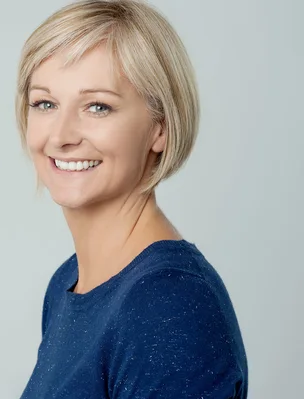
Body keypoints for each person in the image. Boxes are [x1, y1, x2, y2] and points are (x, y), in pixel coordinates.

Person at [15, 0, 248, 398]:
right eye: (46, 103)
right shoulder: (67, 284)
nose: (61, 135)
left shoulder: (167, 304)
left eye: (98, 106)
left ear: (160, 127)